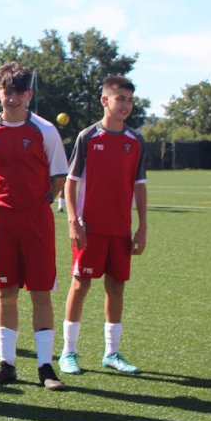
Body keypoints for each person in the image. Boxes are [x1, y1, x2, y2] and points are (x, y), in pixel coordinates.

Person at [0, 62, 69, 390]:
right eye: (7, 92)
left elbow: (58, 177)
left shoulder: (45, 130)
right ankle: (7, 364)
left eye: (19, 93)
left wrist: (38, 204)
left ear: (29, 95)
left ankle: (45, 368)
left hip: (36, 222)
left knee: (40, 293)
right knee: (6, 293)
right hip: (0, 224)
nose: (12, 99)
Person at [59, 76, 148, 375]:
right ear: (104, 101)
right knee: (80, 284)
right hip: (90, 228)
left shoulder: (135, 141)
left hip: (121, 229)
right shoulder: (87, 137)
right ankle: (68, 352)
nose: (125, 105)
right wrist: (74, 221)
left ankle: (112, 353)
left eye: (129, 100)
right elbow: (70, 185)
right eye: (120, 98)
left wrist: (142, 226)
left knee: (116, 286)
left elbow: (140, 185)